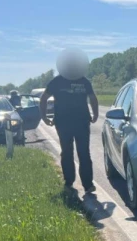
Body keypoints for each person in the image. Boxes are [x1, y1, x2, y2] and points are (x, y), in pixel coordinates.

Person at [40, 63, 99, 193]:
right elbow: (43, 99)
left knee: (77, 152)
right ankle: (72, 182)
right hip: (66, 122)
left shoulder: (82, 81)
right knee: (72, 152)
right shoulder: (58, 81)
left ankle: (83, 184)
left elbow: (93, 98)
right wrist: (43, 117)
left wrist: (96, 114)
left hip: (77, 122)